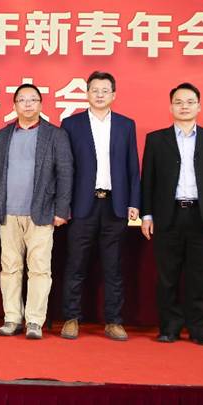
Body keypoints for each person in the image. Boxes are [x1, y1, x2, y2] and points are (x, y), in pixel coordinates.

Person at [140, 82, 203, 346]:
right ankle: (169, 328)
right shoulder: (156, 139)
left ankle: (200, 330)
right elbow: (148, 181)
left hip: (202, 216)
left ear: (199, 107)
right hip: (168, 216)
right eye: (178, 102)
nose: (184, 106)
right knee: (167, 277)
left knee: (199, 277)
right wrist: (146, 215)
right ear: (171, 107)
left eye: (190, 102)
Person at [59, 71, 140, 341]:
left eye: (105, 90)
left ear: (114, 94)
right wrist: (64, 205)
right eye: (95, 90)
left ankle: (114, 321)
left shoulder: (126, 125)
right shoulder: (71, 124)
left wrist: (134, 202)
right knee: (75, 265)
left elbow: (132, 166)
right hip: (82, 205)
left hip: (115, 205)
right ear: (87, 93)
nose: (100, 95)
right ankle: (71, 318)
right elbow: (65, 169)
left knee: (113, 267)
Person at [0, 84, 73, 339]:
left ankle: (35, 321)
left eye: (33, 100)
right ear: (14, 105)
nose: (27, 104)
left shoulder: (55, 135)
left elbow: (66, 173)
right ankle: (12, 318)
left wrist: (62, 210)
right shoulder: (2, 136)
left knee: (39, 269)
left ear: (40, 104)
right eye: (22, 100)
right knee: (10, 268)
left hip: (42, 212)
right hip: (8, 213)